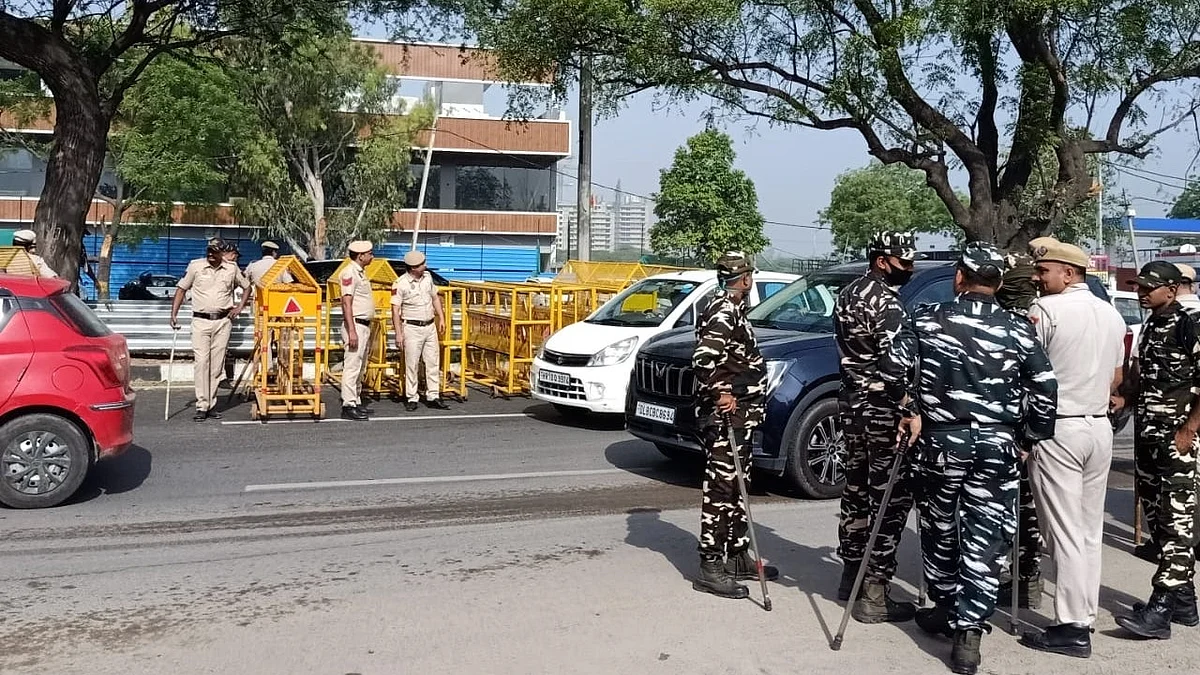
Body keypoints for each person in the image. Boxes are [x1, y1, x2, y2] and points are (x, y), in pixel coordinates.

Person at [903, 242, 1057, 675]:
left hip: (940, 443)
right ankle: (968, 628)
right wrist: (1031, 437)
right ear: (1000, 282)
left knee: (940, 527)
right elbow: (1045, 387)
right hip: (997, 445)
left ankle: (948, 606)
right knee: (987, 535)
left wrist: (909, 409)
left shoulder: (927, 320)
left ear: (959, 276)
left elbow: (895, 370)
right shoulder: (1018, 328)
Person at [1017, 240, 1126, 658]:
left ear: (1068, 272)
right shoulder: (1112, 314)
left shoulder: (1047, 312)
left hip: (1059, 427)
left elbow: (1027, 370)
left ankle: (1070, 626)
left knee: (1062, 532)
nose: (1037, 278)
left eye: (1044, 272)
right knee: (1087, 531)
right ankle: (1085, 614)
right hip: (1098, 427)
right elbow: (1117, 378)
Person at [832, 231, 918, 623]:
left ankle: (851, 574)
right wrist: (909, 406)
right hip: (882, 410)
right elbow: (896, 366)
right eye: (904, 262)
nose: (910, 269)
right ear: (882, 260)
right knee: (890, 500)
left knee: (856, 492)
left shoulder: (847, 294)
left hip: (852, 408)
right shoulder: (886, 302)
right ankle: (874, 593)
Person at [1113, 260, 1200, 639]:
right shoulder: (1151, 324)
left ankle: (1161, 608)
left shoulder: (1189, 323)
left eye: (1150, 288)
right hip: (1148, 436)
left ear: (1172, 288)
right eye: (1139, 287)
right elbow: (1147, 377)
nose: (1141, 293)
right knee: (1159, 520)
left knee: (1178, 522)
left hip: (1177, 437)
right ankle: (1185, 603)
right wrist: (1125, 396)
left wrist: (1190, 428)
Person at [691, 251, 780, 599]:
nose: (751, 280)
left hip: (744, 414)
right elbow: (703, 360)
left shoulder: (730, 308)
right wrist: (721, 393)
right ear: (744, 279)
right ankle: (711, 564)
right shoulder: (724, 312)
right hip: (727, 414)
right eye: (750, 276)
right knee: (722, 488)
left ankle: (738, 552)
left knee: (740, 484)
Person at [992, 250, 1046, 611]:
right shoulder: (1037, 319)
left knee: (996, 505)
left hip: (1000, 427)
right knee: (1028, 506)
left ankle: (996, 575)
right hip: (1031, 428)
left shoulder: (1001, 324)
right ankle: (1028, 578)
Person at [169, 240, 251, 421]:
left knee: (216, 366)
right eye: (209, 251)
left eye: (215, 252)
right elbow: (181, 289)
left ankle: (211, 405)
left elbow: (247, 287)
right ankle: (202, 404)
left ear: (222, 254)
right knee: (201, 363)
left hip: (223, 321)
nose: (210, 255)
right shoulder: (196, 266)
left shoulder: (232, 268)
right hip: (200, 321)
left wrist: (239, 308)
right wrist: (173, 315)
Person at [390, 250, 450, 411]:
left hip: (429, 325)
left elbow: (435, 297)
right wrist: (398, 333)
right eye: (422, 264)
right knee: (412, 363)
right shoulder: (400, 283)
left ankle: (433, 395)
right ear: (413, 268)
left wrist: (441, 318)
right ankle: (412, 396)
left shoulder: (428, 278)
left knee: (432, 361)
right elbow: (395, 310)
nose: (425, 266)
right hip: (411, 327)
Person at [338, 241, 376, 421]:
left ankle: (356, 399)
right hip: (356, 325)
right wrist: (351, 330)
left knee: (360, 367)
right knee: (352, 366)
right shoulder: (349, 273)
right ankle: (348, 405)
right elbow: (346, 302)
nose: (372, 256)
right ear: (360, 256)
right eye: (369, 253)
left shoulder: (360, 273)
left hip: (364, 325)